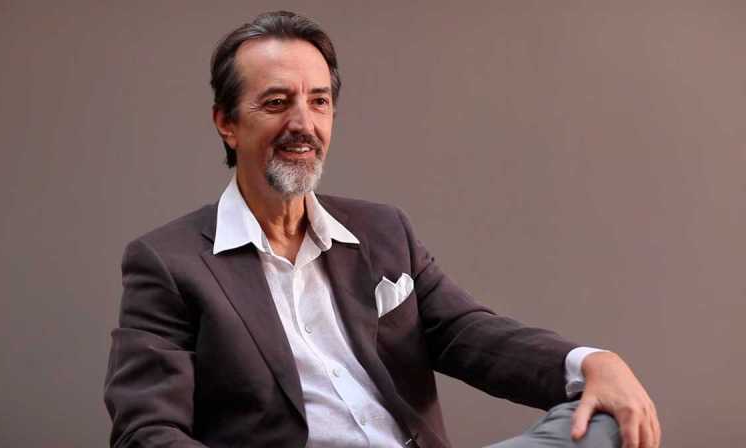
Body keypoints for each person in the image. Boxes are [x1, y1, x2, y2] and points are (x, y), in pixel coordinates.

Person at [104, 11, 660, 448]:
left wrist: (590, 363)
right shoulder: (169, 263)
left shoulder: (382, 230)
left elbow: (467, 333)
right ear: (227, 123)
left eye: (319, 102)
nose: (303, 124)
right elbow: (146, 430)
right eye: (276, 103)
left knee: (605, 419)